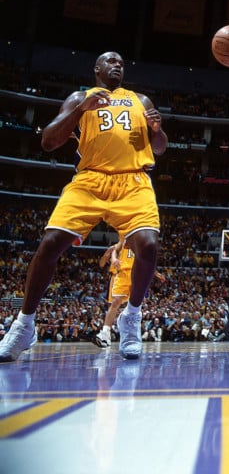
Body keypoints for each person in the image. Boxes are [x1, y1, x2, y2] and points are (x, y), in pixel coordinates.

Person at [0, 51, 167, 362]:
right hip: (89, 179)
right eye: (111, 61)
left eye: (121, 62)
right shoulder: (79, 97)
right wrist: (80, 108)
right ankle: (25, 325)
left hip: (133, 180)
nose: (118, 65)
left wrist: (158, 132)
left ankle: (131, 317)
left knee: (148, 244)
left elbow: (158, 149)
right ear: (97, 69)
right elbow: (49, 141)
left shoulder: (140, 100)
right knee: (50, 243)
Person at [94, 236, 166, 348]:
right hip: (122, 274)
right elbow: (114, 250)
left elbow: (147, 261)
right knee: (115, 303)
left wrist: (156, 274)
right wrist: (113, 259)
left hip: (137, 274)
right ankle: (105, 332)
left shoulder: (143, 241)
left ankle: (128, 329)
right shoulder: (125, 238)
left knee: (135, 304)